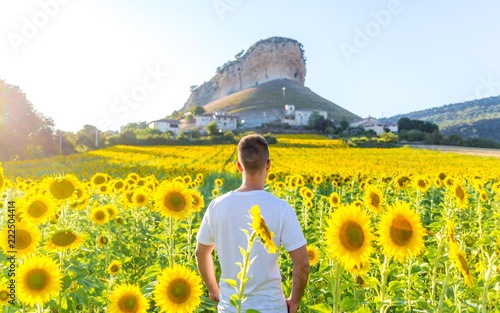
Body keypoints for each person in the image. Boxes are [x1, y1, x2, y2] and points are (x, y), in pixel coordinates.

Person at [196, 134, 310, 313]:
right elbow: (302, 262)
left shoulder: (217, 206)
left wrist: (213, 290)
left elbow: (201, 253)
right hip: (271, 307)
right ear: (268, 165)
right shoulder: (281, 209)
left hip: (231, 308)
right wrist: (294, 301)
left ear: (239, 166)